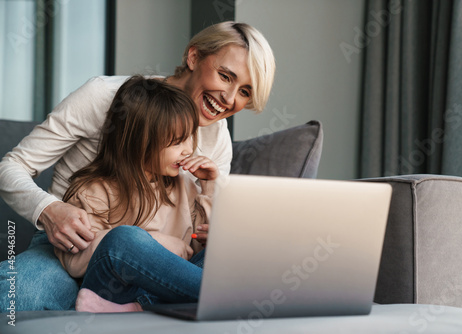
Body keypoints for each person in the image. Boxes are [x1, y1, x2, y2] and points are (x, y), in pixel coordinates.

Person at [0, 21, 275, 311]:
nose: (230, 99)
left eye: (245, 92)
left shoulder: (217, 137)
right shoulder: (106, 97)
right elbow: (10, 167)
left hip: (165, 265)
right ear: (193, 57)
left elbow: (206, 231)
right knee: (21, 294)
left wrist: (221, 225)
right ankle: (238, 299)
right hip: (72, 241)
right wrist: (49, 210)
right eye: (225, 76)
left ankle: (134, 307)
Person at [56, 75, 216, 312]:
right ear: (140, 142)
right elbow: (74, 262)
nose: (188, 150)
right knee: (124, 239)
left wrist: (209, 186)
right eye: (177, 142)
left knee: (223, 251)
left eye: (189, 139)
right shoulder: (94, 190)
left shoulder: (185, 185)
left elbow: (202, 252)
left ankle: (142, 308)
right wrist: (156, 243)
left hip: (165, 291)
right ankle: (233, 299)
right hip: (115, 289)